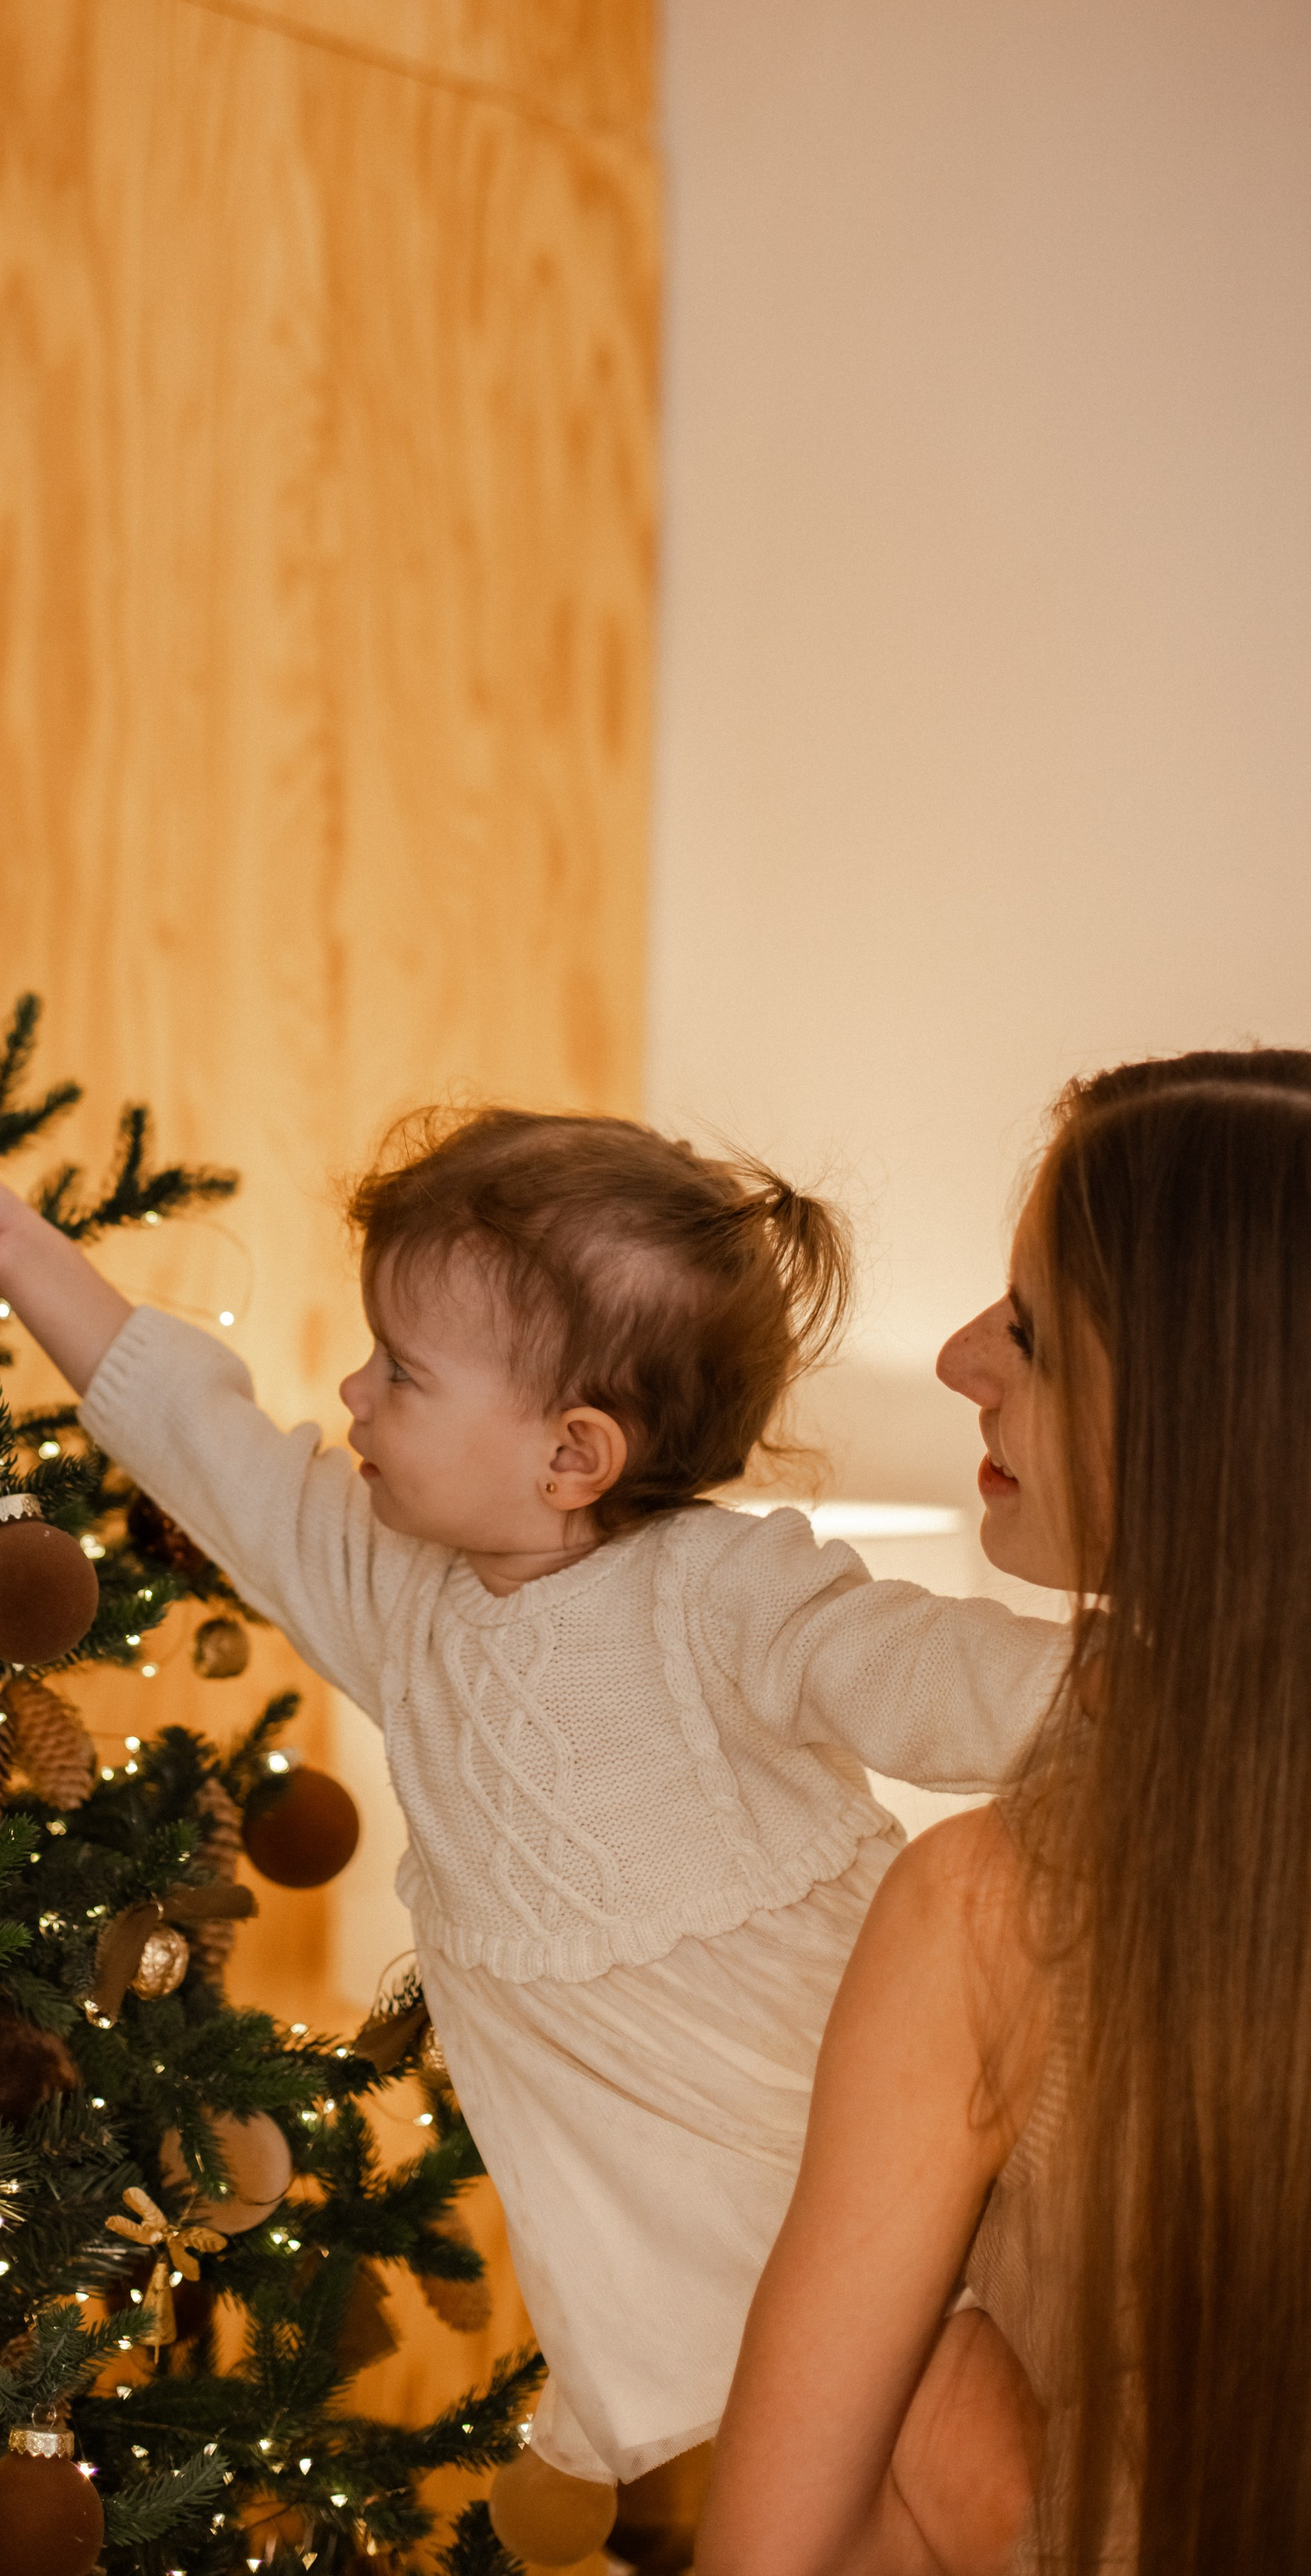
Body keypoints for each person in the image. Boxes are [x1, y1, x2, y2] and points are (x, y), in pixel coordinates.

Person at [0, 1107, 1067, 2498]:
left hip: (893, 2222)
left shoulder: (724, 1593)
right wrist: (21, 1254)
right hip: (670, 2281)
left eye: (403, 1369)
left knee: (995, 2485)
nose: (353, 1389)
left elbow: (935, 1676)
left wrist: (1171, 1685)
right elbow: (209, 1445)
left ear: (573, 1453)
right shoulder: (400, 1599)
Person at [698, 1047, 1311, 2576]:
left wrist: (989, 2468)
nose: (962, 1356)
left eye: (1027, 1328)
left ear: (1208, 1406)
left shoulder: (993, 1910)